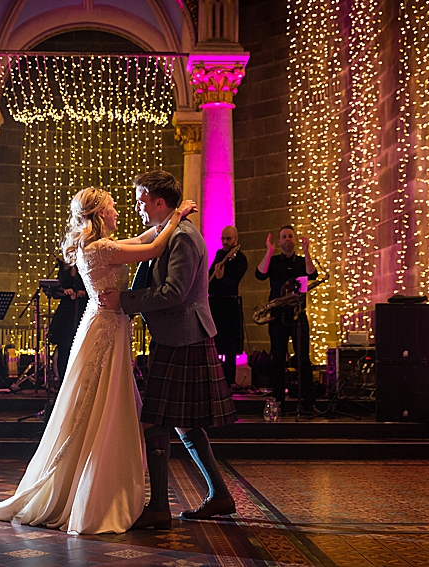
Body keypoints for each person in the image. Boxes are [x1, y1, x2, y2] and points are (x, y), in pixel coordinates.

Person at [0, 187, 197, 534]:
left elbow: (143, 236)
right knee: (98, 404)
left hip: (107, 326)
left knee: (103, 403)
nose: (118, 211)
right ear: (99, 213)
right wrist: (177, 216)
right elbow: (152, 247)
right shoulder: (101, 248)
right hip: (104, 330)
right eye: (112, 207)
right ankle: (92, 491)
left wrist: (169, 217)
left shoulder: (101, 245)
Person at [100, 171, 238, 530]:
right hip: (177, 336)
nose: (137, 206)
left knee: (156, 420)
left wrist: (125, 301)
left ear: (159, 202)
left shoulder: (183, 238)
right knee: (186, 425)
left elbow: (174, 292)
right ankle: (218, 495)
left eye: (141, 199)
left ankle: (159, 506)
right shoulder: (168, 232)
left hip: (185, 336)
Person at [254, 225, 318, 411]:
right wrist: (269, 250)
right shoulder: (273, 261)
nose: (287, 239)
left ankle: (308, 402)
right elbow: (259, 274)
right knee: (277, 359)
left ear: (294, 240)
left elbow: (312, 274)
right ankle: (278, 401)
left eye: (290, 236)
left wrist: (307, 253)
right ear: (280, 241)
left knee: (303, 359)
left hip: (298, 315)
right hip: (277, 316)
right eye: (284, 237)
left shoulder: (300, 261)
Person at [208, 226, 248, 388]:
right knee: (214, 344)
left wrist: (221, 278)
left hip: (230, 305)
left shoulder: (241, 259)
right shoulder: (219, 255)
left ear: (236, 240)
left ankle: (229, 381)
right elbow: (211, 278)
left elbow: (234, 283)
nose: (225, 242)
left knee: (230, 346)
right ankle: (215, 379)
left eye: (228, 239)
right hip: (215, 304)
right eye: (223, 238)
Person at [47, 258, 87, 383]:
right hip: (66, 311)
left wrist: (83, 292)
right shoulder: (63, 265)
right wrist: (64, 291)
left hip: (82, 309)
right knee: (64, 347)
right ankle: (62, 381)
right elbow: (52, 290)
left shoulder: (87, 261)